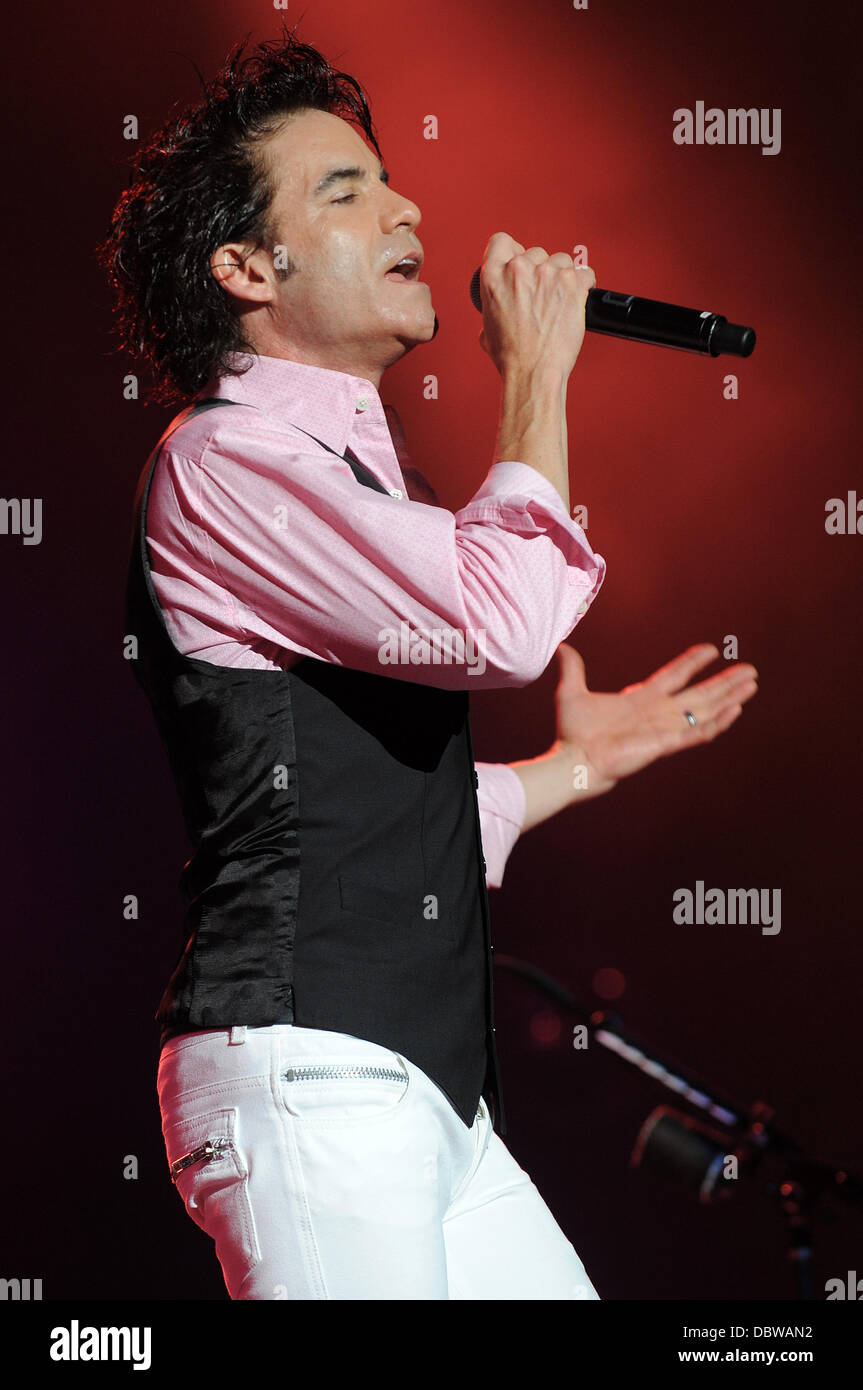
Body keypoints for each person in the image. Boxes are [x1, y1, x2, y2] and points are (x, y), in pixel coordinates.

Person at [97, 29, 758, 1300]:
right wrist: (540, 374)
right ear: (245, 265)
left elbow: (377, 809)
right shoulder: (225, 460)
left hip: (418, 1088)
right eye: (344, 191)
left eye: (391, 179)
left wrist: (574, 765)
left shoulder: (360, 478)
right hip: (313, 1068)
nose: (406, 207)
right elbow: (504, 625)